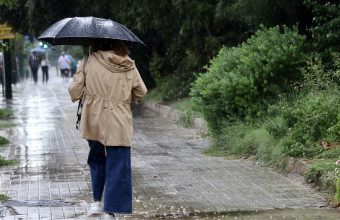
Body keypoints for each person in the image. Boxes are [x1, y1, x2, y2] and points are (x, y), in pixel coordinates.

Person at [68, 39, 147, 220]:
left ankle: (96, 203)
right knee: (118, 164)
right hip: (119, 120)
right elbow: (141, 91)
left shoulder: (89, 61)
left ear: (97, 44)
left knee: (97, 160)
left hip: (93, 119)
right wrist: (122, 98)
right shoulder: (128, 64)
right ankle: (109, 212)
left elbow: (75, 92)